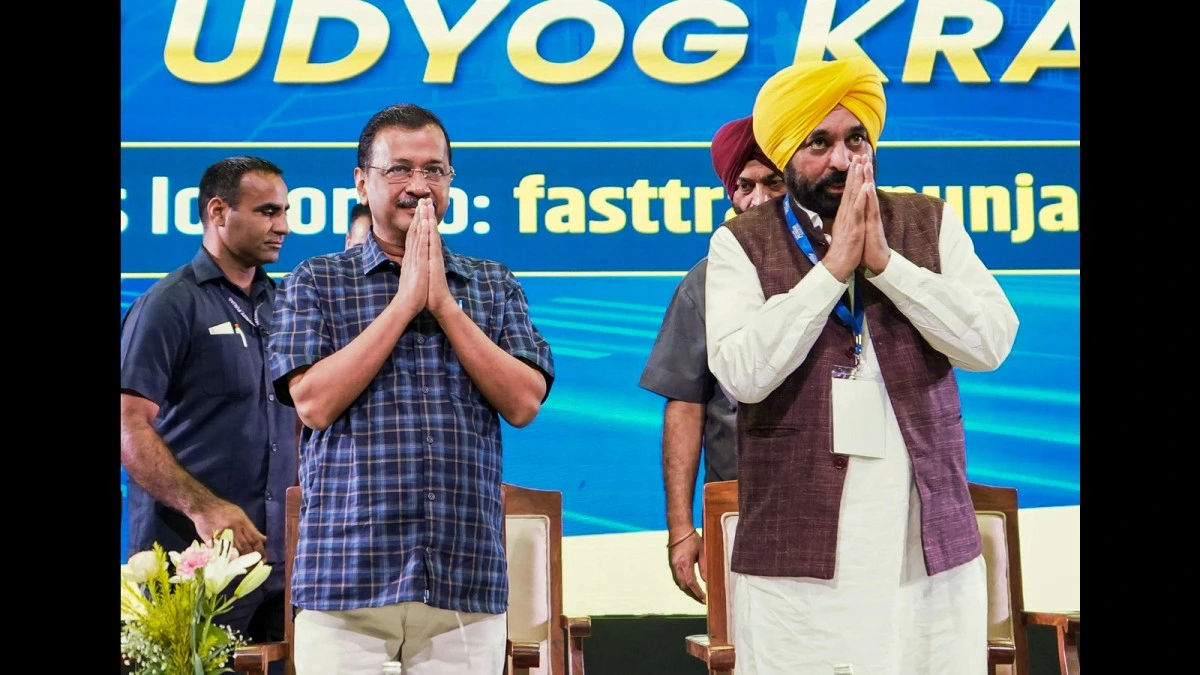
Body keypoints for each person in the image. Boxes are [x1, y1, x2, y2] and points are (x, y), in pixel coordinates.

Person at [705, 58, 1019, 675]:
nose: (842, 160)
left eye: (856, 140)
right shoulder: (741, 243)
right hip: (798, 558)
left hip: (924, 551)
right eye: (819, 143)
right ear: (787, 153)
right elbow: (742, 373)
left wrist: (886, 265)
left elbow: (990, 343)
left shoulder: (929, 221)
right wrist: (830, 271)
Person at [267, 103, 555, 675]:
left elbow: (524, 403)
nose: (419, 186)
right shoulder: (317, 280)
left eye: (434, 171)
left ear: (450, 180)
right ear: (362, 181)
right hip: (346, 578)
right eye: (399, 169)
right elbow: (313, 404)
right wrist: (403, 304)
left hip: (463, 578)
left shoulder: (492, 283)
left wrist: (444, 304)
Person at [120, 155, 299, 670]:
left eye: (284, 211)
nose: (283, 226)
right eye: (268, 211)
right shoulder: (169, 304)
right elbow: (128, 422)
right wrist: (204, 507)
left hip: (279, 570)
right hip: (189, 568)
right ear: (218, 212)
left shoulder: (285, 303)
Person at [637, 115, 785, 604]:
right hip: (738, 506)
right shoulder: (704, 282)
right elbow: (685, 404)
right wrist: (681, 527)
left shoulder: (843, 269)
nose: (758, 200)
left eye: (774, 184)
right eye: (745, 186)